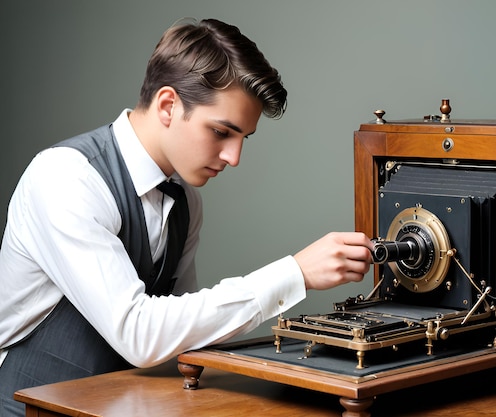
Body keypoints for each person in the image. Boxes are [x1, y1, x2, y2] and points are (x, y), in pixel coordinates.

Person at [0, 18, 373, 416]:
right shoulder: (65, 177)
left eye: (242, 138)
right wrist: (294, 274)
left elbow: (183, 334)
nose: (234, 157)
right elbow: (139, 334)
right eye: (221, 132)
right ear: (167, 105)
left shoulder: (185, 202)